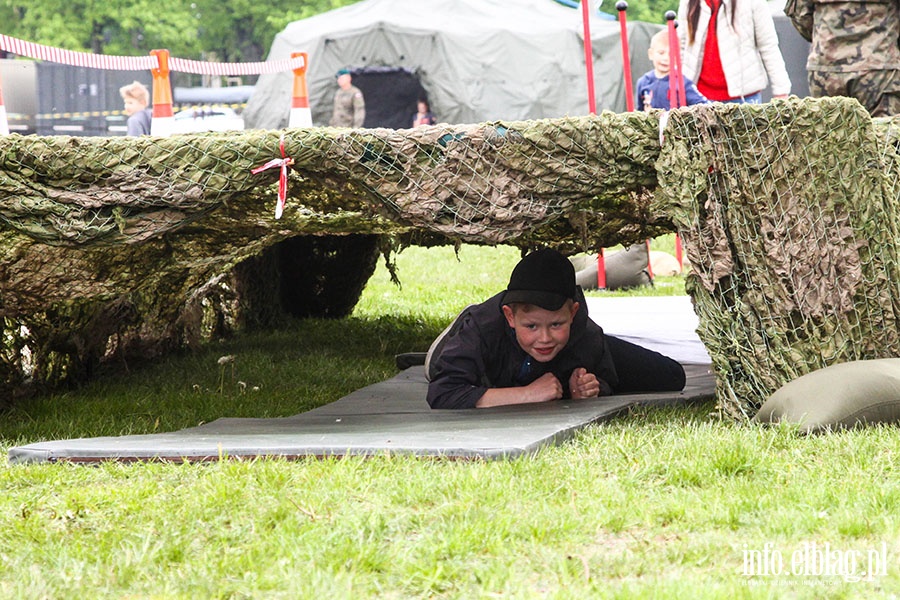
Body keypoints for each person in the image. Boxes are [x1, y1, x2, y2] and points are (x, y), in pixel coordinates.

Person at [425, 248, 686, 409]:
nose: (545, 338)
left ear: (572, 313)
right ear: (510, 317)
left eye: (556, 324)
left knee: (671, 376)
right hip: (489, 365)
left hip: (572, 345)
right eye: (531, 325)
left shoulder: (585, 335)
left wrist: (586, 390)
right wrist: (528, 394)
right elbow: (444, 393)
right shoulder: (483, 329)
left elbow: (607, 378)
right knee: (438, 366)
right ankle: (458, 325)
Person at [784, 0, 900, 117]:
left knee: (827, 131)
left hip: (826, 69)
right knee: (883, 132)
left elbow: (800, 15)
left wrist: (826, 40)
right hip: (877, 68)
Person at [677, 0, 791, 103]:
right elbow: (680, 47)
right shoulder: (688, 3)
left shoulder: (753, 3)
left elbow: (768, 46)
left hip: (744, 98)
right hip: (697, 98)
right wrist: (676, 87)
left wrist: (781, 91)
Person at [637, 29, 710, 110]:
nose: (666, 58)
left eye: (671, 54)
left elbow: (704, 105)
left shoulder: (683, 83)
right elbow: (639, 111)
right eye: (661, 53)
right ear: (651, 54)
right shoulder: (643, 82)